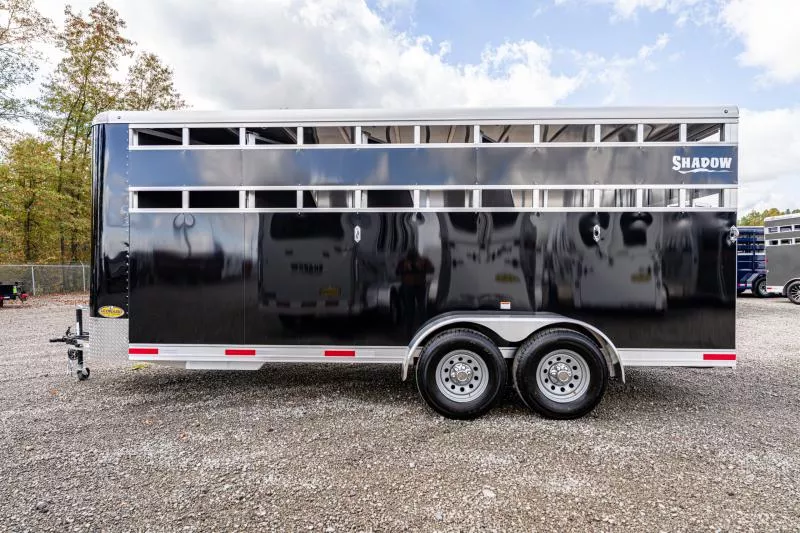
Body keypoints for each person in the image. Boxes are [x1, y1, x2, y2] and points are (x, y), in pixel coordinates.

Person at [395, 248, 434, 336]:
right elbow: (397, 272)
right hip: (410, 286)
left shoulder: (423, 261)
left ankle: (422, 331)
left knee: (419, 309)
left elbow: (431, 269)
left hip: (417, 286)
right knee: (412, 309)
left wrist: (419, 268)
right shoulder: (404, 262)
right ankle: (411, 332)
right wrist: (407, 269)